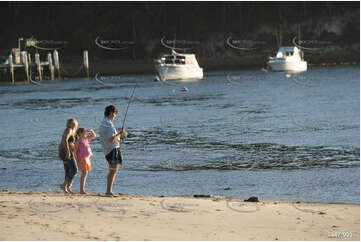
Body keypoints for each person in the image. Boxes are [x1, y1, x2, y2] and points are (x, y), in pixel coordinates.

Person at [99, 105, 127, 197]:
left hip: (109, 149)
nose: (115, 117)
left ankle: (109, 191)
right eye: (115, 115)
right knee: (113, 170)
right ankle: (108, 191)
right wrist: (120, 134)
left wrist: (119, 135)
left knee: (113, 170)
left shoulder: (104, 123)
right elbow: (111, 139)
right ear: (111, 113)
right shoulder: (108, 124)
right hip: (112, 150)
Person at [58, 118, 78, 194]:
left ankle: (66, 187)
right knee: (74, 170)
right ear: (69, 124)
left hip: (66, 152)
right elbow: (64, 140)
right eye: (72, 123)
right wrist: (68, 152)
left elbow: (60, 144)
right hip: (66, 152)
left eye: (75, 123)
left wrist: (59, 153)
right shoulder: (68, 130)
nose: (74, 125)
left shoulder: (72, 131)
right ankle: (64, 185)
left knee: (67, 170)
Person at [75, 128, 96, 194]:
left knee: (85, 173)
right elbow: (75, 151)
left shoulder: (86, 139)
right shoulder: (78, 141)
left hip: (87, 158)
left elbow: (93, 136)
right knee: (84, 173)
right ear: (80, 133)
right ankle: (82, 190)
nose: (86, 133)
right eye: (85, 132)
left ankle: (82, 189)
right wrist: (76, 161)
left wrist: (91, 131)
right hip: (81, 158)